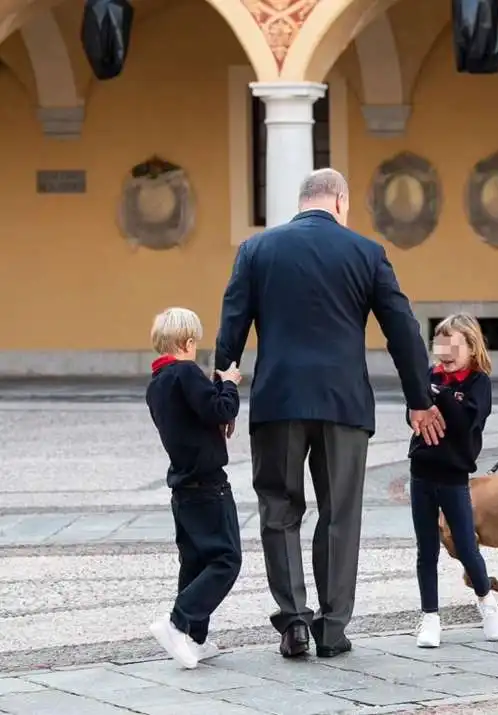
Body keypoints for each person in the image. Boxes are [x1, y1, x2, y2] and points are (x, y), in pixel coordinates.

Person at [214, 168, 445, 659]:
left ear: (302, 202)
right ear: (340, 201)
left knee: (278, 510)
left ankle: (293, 623)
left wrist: (223, 400)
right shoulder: (366, 252)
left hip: (278, 400)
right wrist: (419, 399)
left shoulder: (256, 251)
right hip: (344, 403)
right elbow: (402, 329)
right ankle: (333, 626)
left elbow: (231, 326)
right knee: (340, 514)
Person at [145, 307, 243, 669]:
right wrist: (229, 382)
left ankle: (193, 637)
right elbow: (218, 409)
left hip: (183, 485)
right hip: (208, 485)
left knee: (195, 561)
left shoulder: (157, 382)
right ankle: (177, 622)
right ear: (187, 342)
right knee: (226, 559)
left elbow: (196, 415)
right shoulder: (186, 372)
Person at [409, 313, 498, 648]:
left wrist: (442, 398)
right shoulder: (429, 376)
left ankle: (487, 602)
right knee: (426, 550)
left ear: (472, 347)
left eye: (453, 347)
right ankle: (430, 617)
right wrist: (428, 401)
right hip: (422, 472)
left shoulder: (479, 383)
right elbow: (416, 409)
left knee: (466, 546)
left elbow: (466, 420)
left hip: (453, 476)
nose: (445, 356)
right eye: (441, 347)